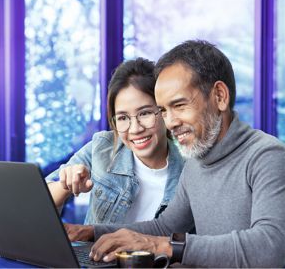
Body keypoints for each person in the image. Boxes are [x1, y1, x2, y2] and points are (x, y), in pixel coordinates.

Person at [66, 40, 285, 268]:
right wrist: (90, 231)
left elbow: (270, 248)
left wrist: (162, 246)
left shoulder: (267, 156)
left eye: (179, 105)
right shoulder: (196, 162)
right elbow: (164, 228)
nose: (170, 123)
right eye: (163, 110)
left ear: (219, 96)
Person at [46, 58, 184, 226]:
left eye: (145, 113)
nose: (135, 129)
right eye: (123, 118)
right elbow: (37, 202)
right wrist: (65, 185)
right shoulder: (102, 147)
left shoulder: (188, 171)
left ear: (163, 111)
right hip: (94, 252)